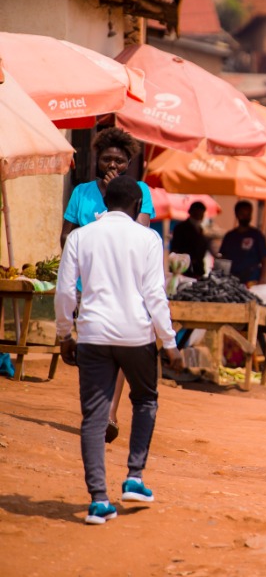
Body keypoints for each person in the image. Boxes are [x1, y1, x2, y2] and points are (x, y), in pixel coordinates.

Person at [54, 177, 183, 525]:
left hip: (93, 334)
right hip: (136, 334)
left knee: (94, 417)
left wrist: (65, 334)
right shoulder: (148, 238)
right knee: (144, 400)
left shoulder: (80, 236)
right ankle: (134, 478)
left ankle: (98, 500)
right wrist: (169, 342)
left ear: (105, 202)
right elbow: (155, 294)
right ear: (138, 205)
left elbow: (65, 291)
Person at [61, 127, 157, 446]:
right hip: (86, 283)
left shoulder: (140, 190)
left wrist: (116, 197)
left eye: (118, 160)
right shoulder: (81, 193)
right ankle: (99, 410)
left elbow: (139, 232)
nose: (111, 165)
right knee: (94, 348)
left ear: (128, 163)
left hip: (125, 282)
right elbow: (67, 235)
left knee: (118, 349)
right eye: (105, 159)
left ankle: (109, 414)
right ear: (96, 161)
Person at [218, 200, 266, 285]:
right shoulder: (230, 236)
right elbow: (223, 258)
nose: (245, 217)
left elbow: (265, 259)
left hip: (252, 281)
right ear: (236, 214)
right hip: (232, 281)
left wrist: (262, 280)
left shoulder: (257, 236)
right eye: (243, 214)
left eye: (248, 214)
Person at [169, 201, 210, 278]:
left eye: (201, 214)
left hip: (198, 270)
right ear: (191, 212)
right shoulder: (180, 228)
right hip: (184, 270)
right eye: (197, 213)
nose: (199, 216)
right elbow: (176, 249)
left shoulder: (200, 229)